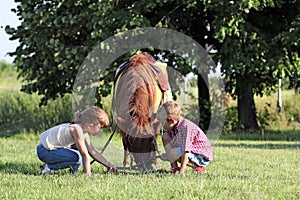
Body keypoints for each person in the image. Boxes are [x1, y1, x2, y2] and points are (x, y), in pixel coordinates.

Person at [36, 106, 116, 175]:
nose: (101, 131)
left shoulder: (83, 133)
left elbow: (93, 152)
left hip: (50, 150)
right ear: (90, 125)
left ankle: (73, 172)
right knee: (78, 157)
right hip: (44, 151)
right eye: (100, 128)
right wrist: (88, 174)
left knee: (78, 151)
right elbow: (85, 154)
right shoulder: (76, 130)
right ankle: (48, 167)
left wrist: (108, 165)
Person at [155, 101, 212, 174]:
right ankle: (174, 168)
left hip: (201, 156)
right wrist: (168, 154)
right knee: (165, 137)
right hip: (188, 151)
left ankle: (197, 167)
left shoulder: (185, 128)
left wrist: (181, 172)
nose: (161, 125)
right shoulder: (173, 127)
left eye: (163, 123)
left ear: (172, 121)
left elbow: (185, 151)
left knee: (173, 153)